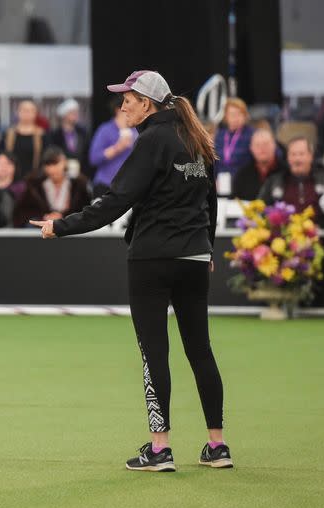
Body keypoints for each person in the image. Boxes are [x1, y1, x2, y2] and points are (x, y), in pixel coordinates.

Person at [31, 70, 229, 473]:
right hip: (194, 258)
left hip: (153, 260)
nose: (122, 105)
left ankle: (160, 449)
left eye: (129, 98)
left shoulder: (152, 141)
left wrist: (60, 226)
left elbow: (116, 200)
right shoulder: (196, 139)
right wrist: (206, 248)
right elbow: (210, 203)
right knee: (200, 350)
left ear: (147, 104)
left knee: (154, 352)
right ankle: (217, 445)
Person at [259, 136, 324, 228]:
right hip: (283, 237)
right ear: (288, 158)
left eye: (301, 154)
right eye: (293, 154)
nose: (297, 159)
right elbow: (261, 209)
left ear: (310, 156)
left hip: (321, 236)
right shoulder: (274, 181)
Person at [14, 146, 91, 227]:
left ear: (64, 162)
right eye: (49, 164)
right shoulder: (34, 185)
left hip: (71, 230)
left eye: (56, 163)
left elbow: (86, 211)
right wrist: (43, 217)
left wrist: (64, 218)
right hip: (40, 231)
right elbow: (22, 212)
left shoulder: (79, 185)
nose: (52, 168)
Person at [89, 96, 138, 198]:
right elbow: (94, 158)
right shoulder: (105, 130)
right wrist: (118, 148)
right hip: (105, 185)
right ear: (118, 110)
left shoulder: (135, 131)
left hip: (128, 186)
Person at [214, 98, 254, 196]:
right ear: (226, 117)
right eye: (232, 114)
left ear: (245, 116)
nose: (236, 118)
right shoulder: (220, 135)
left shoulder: (252, 134)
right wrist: (213, 180)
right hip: (221, 184)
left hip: (244, 184)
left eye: (239, 114)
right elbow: (214, 161)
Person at [232, 128, 287, 201]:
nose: (262, 148)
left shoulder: (287, 172)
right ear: (251, 148)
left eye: (266, 144)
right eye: (257, 145)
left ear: (275, 145)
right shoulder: (242, 175)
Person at [2, 99, 46, 181]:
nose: (27, 113)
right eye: (24, 110)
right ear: (18, 112)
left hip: (35, 179)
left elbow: (45, 159)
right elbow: (2, 156)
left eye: (30, 110)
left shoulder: (42, 135)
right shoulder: (8, 134)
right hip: (11, 180)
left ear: (35, 113)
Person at [47, 98, 91, 174]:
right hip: (61, 173)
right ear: (64, 115)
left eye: (76, 112)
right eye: (72, 112)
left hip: (81, 174)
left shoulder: (83, 132)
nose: (76, 115)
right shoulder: (54, 135)